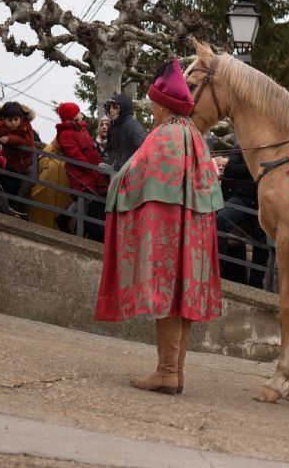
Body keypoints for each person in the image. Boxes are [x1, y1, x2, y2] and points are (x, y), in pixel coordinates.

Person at [94, 59, 224, 394]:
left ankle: (166, 372)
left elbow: (132, 175)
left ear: (163, 105)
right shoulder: (194, 135)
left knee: (167, 294)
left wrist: (114, 180)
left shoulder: (163, 135)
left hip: (168, 228)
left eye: (153, 103)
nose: (151, 109)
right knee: (182, 296)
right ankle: (174, 372)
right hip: (194, 229)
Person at [53, 102, 108, 241]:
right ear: (72, 116)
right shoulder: (66, 134)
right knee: (85, 197)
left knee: (87, 200)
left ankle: (74, 227)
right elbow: (75, 155)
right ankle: (66, 220)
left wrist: (99, 166)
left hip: (90, 171)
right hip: (79, 172)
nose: (80, 114)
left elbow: (92, 151)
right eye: (77, 112)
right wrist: (90, 167)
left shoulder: (82, 130)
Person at [216, 146, 267, 287]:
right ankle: (217, 271)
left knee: (263, 242)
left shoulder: (272, 148)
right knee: (220, 219)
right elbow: (230, 170)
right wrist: (252, 165)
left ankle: (256, 286)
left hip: (263, 203)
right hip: (242, 198)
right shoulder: (241, 147)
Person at [0, 101, 36, 199]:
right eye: (10, 120)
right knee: (8, 184)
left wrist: (10, 138)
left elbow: (29, 141)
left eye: (16, 119)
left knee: (31, 179)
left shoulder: (26, 126)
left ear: (21, 118)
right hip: (9, 161)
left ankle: (19, 203)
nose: (13, 123)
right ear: (4, 119)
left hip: (26, 160)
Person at [102, 93, 147, 170]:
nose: (111, 110)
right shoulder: (112, 126)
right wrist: (109, 163)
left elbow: (145, 147)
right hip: (117, 172)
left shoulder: (131, 125)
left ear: (123, 108)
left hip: (131, 172)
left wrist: (128, 167)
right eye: (110, 107)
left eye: (114, 107)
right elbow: (110, 149)